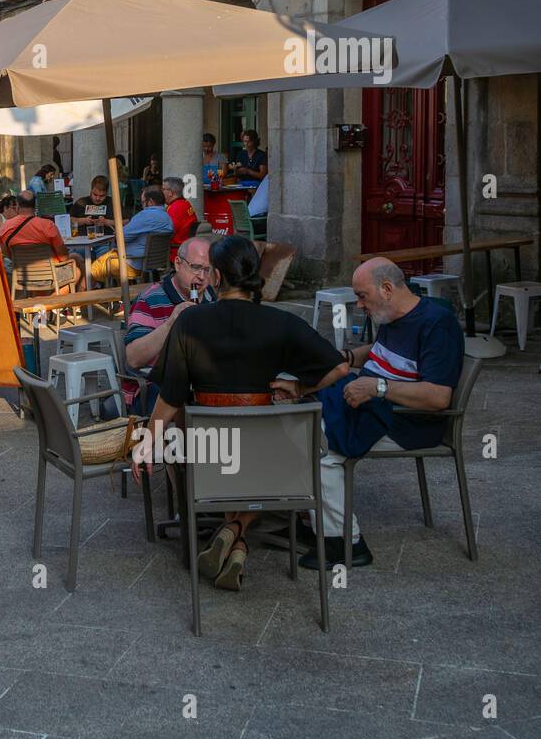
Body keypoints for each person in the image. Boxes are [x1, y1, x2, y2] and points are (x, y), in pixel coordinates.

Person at [131, 235, 347, 591]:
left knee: (218, 454)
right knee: (273, 459)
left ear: (216, 277)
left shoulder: (190, 323)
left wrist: (145, 443)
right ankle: (236, 533)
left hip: (208, 455)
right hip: (268, 457)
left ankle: (231, 534)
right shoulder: (281, 323)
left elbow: (169, 398)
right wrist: (299, 388)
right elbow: (338, 368)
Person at [273, 258, 465, 570]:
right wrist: (346, 357)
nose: (360, 305)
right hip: (372, 400)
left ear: (387, 289)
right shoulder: (395, 313)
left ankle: (344, 542)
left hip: (406, 421)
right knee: (296, 414)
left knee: (318, 445)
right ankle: (312, 521)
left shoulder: (436, 323)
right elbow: (379, 350)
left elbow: (439, 397)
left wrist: (378, 387)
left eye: (362, 296)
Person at [120, 237, 217, 414]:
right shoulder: (150, 299)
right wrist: (171, 323)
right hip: (155, 385)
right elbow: (133, 358)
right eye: (195, 267)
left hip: (200, 383)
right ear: (178, 264)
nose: (201, 277)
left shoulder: (211, 297)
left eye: (207, 270)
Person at [0, 191, 81, 290]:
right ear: (35, 205)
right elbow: (64, 258)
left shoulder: (5, 227)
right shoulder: (47, 225)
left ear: (18, 205)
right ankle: (49, 303)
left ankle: (38, 301)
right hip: (50, 276)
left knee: (75, 257)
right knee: (77, 271)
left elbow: (8, 255)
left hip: (22, 276)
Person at [90, 185, 173, 282]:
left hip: (132, 263)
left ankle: (83, 296)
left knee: (91, 271)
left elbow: (122, 237)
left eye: (143, 202)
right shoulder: (168, 218)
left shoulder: (145, 215)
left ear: (150, 202)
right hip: (154, 264)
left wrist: (118, 233)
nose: (142, 206)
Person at [161, 176, 198, 260]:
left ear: (170, 193)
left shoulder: (175, 208)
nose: (161, 192)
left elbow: (166, 233)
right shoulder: (186, 203)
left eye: (163, 189)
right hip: (185, 248)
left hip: (174, 253)